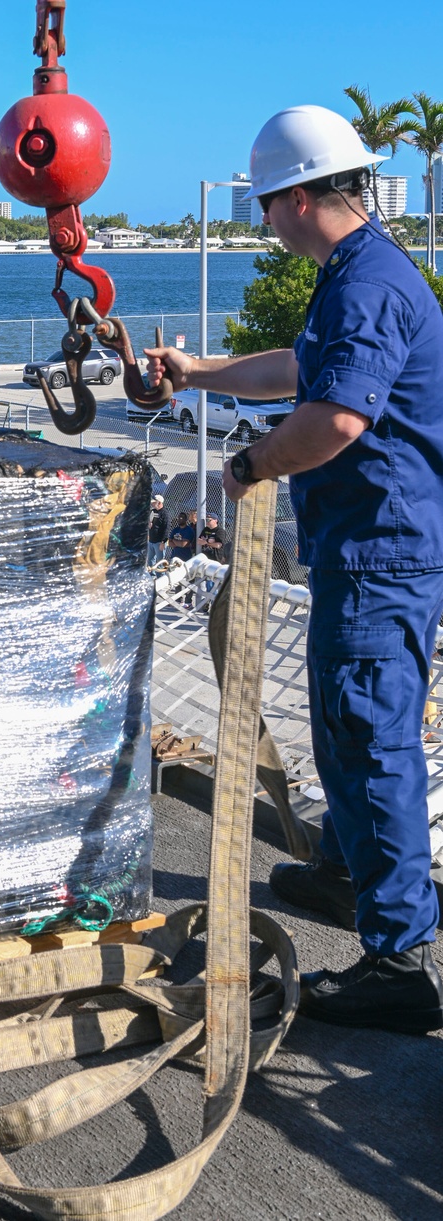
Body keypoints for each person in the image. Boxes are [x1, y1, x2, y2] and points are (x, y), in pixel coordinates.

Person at [146, 104, 443, 1035]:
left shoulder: (368, 286)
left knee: (369, 734)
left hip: (382, 547)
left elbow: (338, 420)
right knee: (340, 719)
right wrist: (196, 373)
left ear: (304, 196)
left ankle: (399, 957)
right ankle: (351, 872)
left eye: (267, 206)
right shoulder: (357, 274)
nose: (262, 224)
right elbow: (299, 372)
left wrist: (249, 467)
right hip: (366, 545)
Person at [148, 494, 168, 565]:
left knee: (160, 562)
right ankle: (151, 575)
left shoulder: (164, 513)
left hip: (159, 542)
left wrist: (163, 542)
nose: (152, 504)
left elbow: (166, 528)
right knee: (150, 560)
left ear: (159, 503)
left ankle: (161, 576)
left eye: (154, 503)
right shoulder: (152, 511)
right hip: (151, 541)